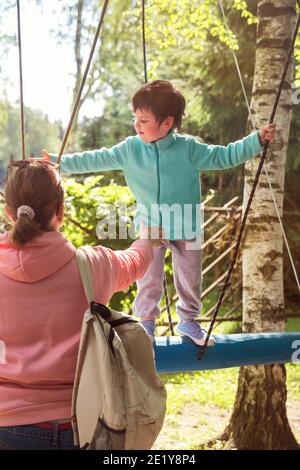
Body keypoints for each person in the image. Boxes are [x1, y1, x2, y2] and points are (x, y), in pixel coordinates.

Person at [45, 79, 276, 345]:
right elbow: (92, 159)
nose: (136, 125)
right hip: (151, 227)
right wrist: (56, 162)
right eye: (135, 119)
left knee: (190, 278)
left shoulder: (189, 148)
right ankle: (146, 325)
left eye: (143, 120)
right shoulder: (130, 149)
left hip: (186, 225)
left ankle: (189, 322)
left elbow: (224, 156)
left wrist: (256, 139)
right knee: (148, 278)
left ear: (167, 123)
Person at [0, 159, 157, 450]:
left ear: (9, 212)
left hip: (7, 426)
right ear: (60, 211)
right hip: (83, 424)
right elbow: (135, 261)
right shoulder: (91, 265)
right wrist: (149, 239)